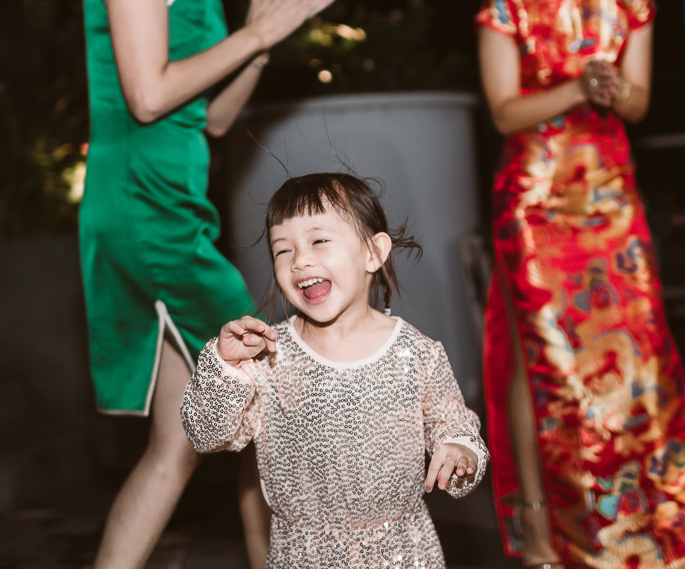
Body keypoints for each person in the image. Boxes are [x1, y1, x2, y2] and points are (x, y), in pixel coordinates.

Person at [78, 0, 357, 568]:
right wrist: (257, 31)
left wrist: (262, 43)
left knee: (178, 445)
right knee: (277, 392)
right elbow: (147, 92)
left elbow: (214, 119)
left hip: (167, 210)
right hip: (148, 213)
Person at [476, 0, 685, 569]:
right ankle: (542, 533)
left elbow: (637, 104)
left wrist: (610, 89)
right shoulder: (505, 3)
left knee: (643, 364)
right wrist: (580, 87)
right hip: (536, 208)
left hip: (613, 206)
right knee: (540, 365)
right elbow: (506, 114)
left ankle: (654, 528)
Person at [179, 172, 487, 567]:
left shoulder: (416, 354)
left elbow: (456, 425)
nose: (300, 260)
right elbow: (206, 435)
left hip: (404, 554)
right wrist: (225, 366)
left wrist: (461, 453)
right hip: (301, 555)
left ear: (373, 253)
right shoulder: (272, 356)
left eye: (319, 240)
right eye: (282, 251)